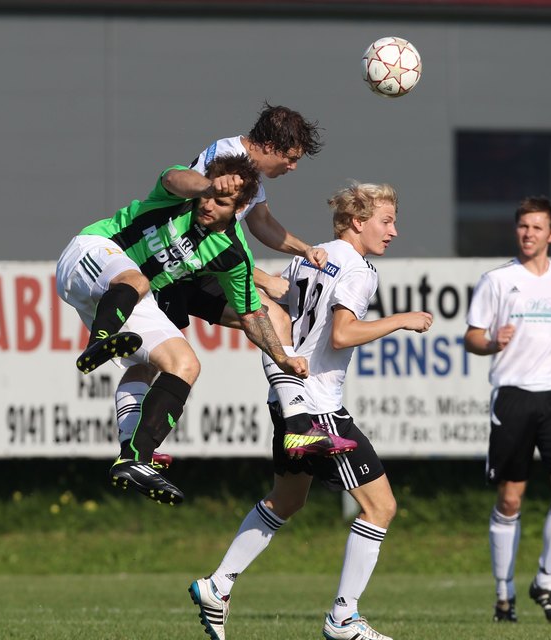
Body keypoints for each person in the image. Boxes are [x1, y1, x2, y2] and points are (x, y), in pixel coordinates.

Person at [188, 182, 433, 640]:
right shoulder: (359, 270)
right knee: (380, 507)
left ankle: (217, 585)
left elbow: (283, 314)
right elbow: (341, 334)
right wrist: (401, 320)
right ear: (358, 222)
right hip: (318, 406)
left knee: (287, 499)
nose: (394, 232)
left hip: (287, 400)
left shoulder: (311, 254)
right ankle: (344, 617)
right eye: (386, 221)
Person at [56, 153, 309, 505]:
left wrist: (281, 355)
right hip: (92, 253)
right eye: (208, 195)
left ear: (240, 207)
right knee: (136, 278)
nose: (208, 205)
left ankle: (135, 458)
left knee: (184, 363)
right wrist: (206, 185)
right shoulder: (182, 196)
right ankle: (101, 340)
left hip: (124, 299)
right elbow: (174, 177)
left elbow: (252, 315)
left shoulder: (232, 254)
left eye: (220, 202)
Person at [115, 103, 357, 460]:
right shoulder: (225, 157)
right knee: (150, 360)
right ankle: (131, 445)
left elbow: (261, 225)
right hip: (166, 267)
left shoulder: (249, 176)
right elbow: (194, 224)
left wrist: (304, 249)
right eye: (291, 158)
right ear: (271, 146)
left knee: (271, 318)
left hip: (196, 272)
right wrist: (260, 278)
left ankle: (299, 426)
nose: (292, 167)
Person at [464, 195, 551, 624]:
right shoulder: (497, 281)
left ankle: (546, 580)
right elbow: (472, 338)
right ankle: (504, 595)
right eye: (523, 226)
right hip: (514, 396)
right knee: (511, 499)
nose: (529, 233)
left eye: (537, 227)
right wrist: (491, 342)